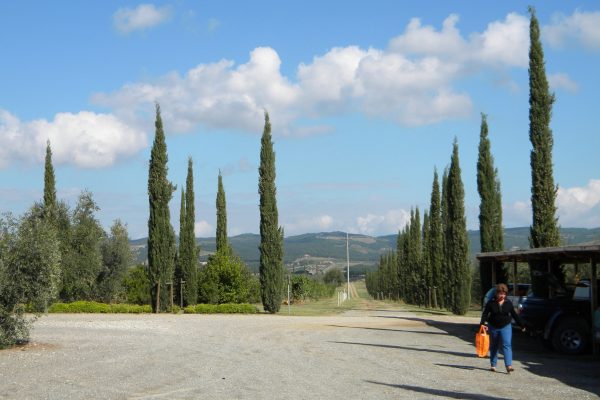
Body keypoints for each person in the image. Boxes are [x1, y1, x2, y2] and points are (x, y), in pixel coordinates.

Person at [480, 283, 526, 373]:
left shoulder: (508, 303)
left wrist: (521, 325)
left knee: (507, 344)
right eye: (500, 293)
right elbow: (485, 314)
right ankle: (493, 365)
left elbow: (514, 315)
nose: (502, 296)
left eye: (504, 294)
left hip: (506, 326)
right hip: (493, 326)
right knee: (494, 346)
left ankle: (508, 365)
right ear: (496, 294)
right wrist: (483, 324)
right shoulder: (491, 303)